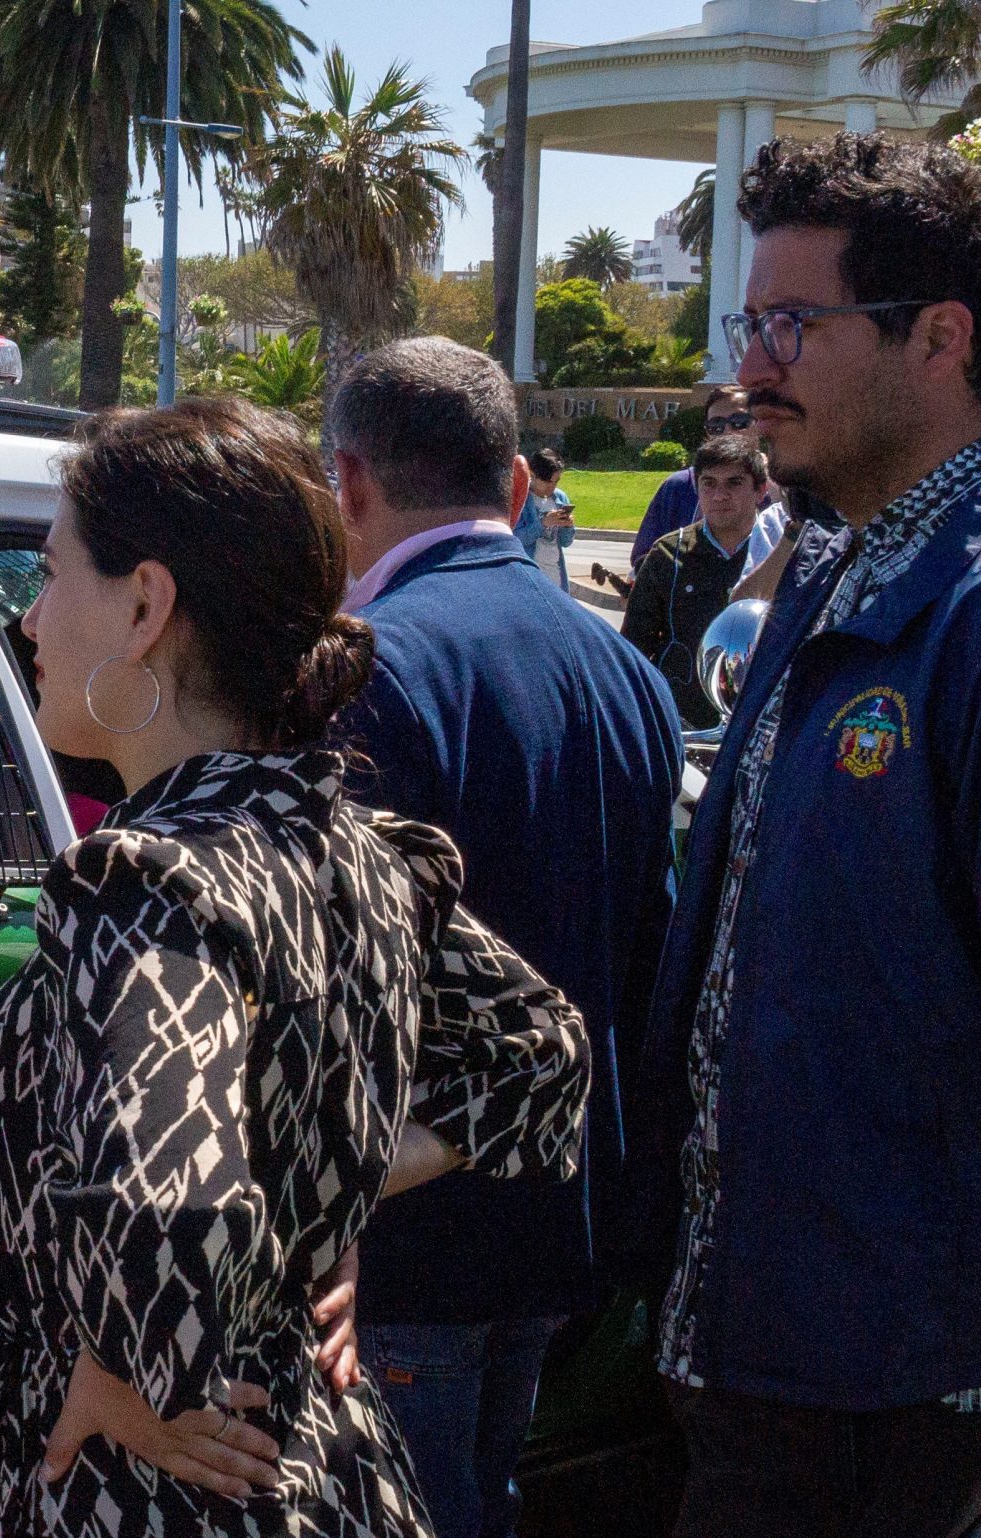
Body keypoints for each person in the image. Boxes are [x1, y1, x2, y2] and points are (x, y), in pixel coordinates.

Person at [622, 133, 981, 1538]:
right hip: (750, 1325)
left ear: (940, 338)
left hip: (883, 1360)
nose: (751, 367)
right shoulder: (836, 567)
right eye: (746, 323)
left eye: (791, 325)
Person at [0, 397, 591, 1537]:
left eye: (48, 575)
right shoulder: (354, 844)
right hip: (323, 1465)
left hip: (157, 1486)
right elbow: (540, 1050)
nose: (30, 619)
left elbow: (175, 1212)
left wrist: (118, 1364)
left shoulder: (147, 881)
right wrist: (315, 1193)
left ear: (146, 604)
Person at [330, 336, 684, 1538]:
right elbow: (654, 946)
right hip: (557, 1219)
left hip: (406, 1235)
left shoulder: (372, 669)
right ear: (521, 486)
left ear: (348, 482)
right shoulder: (626, 670)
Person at [623, 435, 766, 728]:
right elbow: (632, 648)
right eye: (709, 483)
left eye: (734, 483)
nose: (719, 495)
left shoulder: (779, 549)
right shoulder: (667, 553)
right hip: (682, 723)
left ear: (760, 490)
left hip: (759, 723)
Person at [631, 383, 756, 556]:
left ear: (760, 424)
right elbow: (644, 557)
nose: (728, 431)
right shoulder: (678, 487)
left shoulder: (780, 488)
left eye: (739, 422)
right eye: (716, 425)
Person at [513, 447, 574, 590]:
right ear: (532, 475)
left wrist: (568, 526)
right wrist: (543, 523)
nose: (552, 487)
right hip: (530, 577)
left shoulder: (560, 498)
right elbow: (515, 540)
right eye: (548, 482)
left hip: (556, 577)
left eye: (556, 482)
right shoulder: (521, 499)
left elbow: (566, 542)